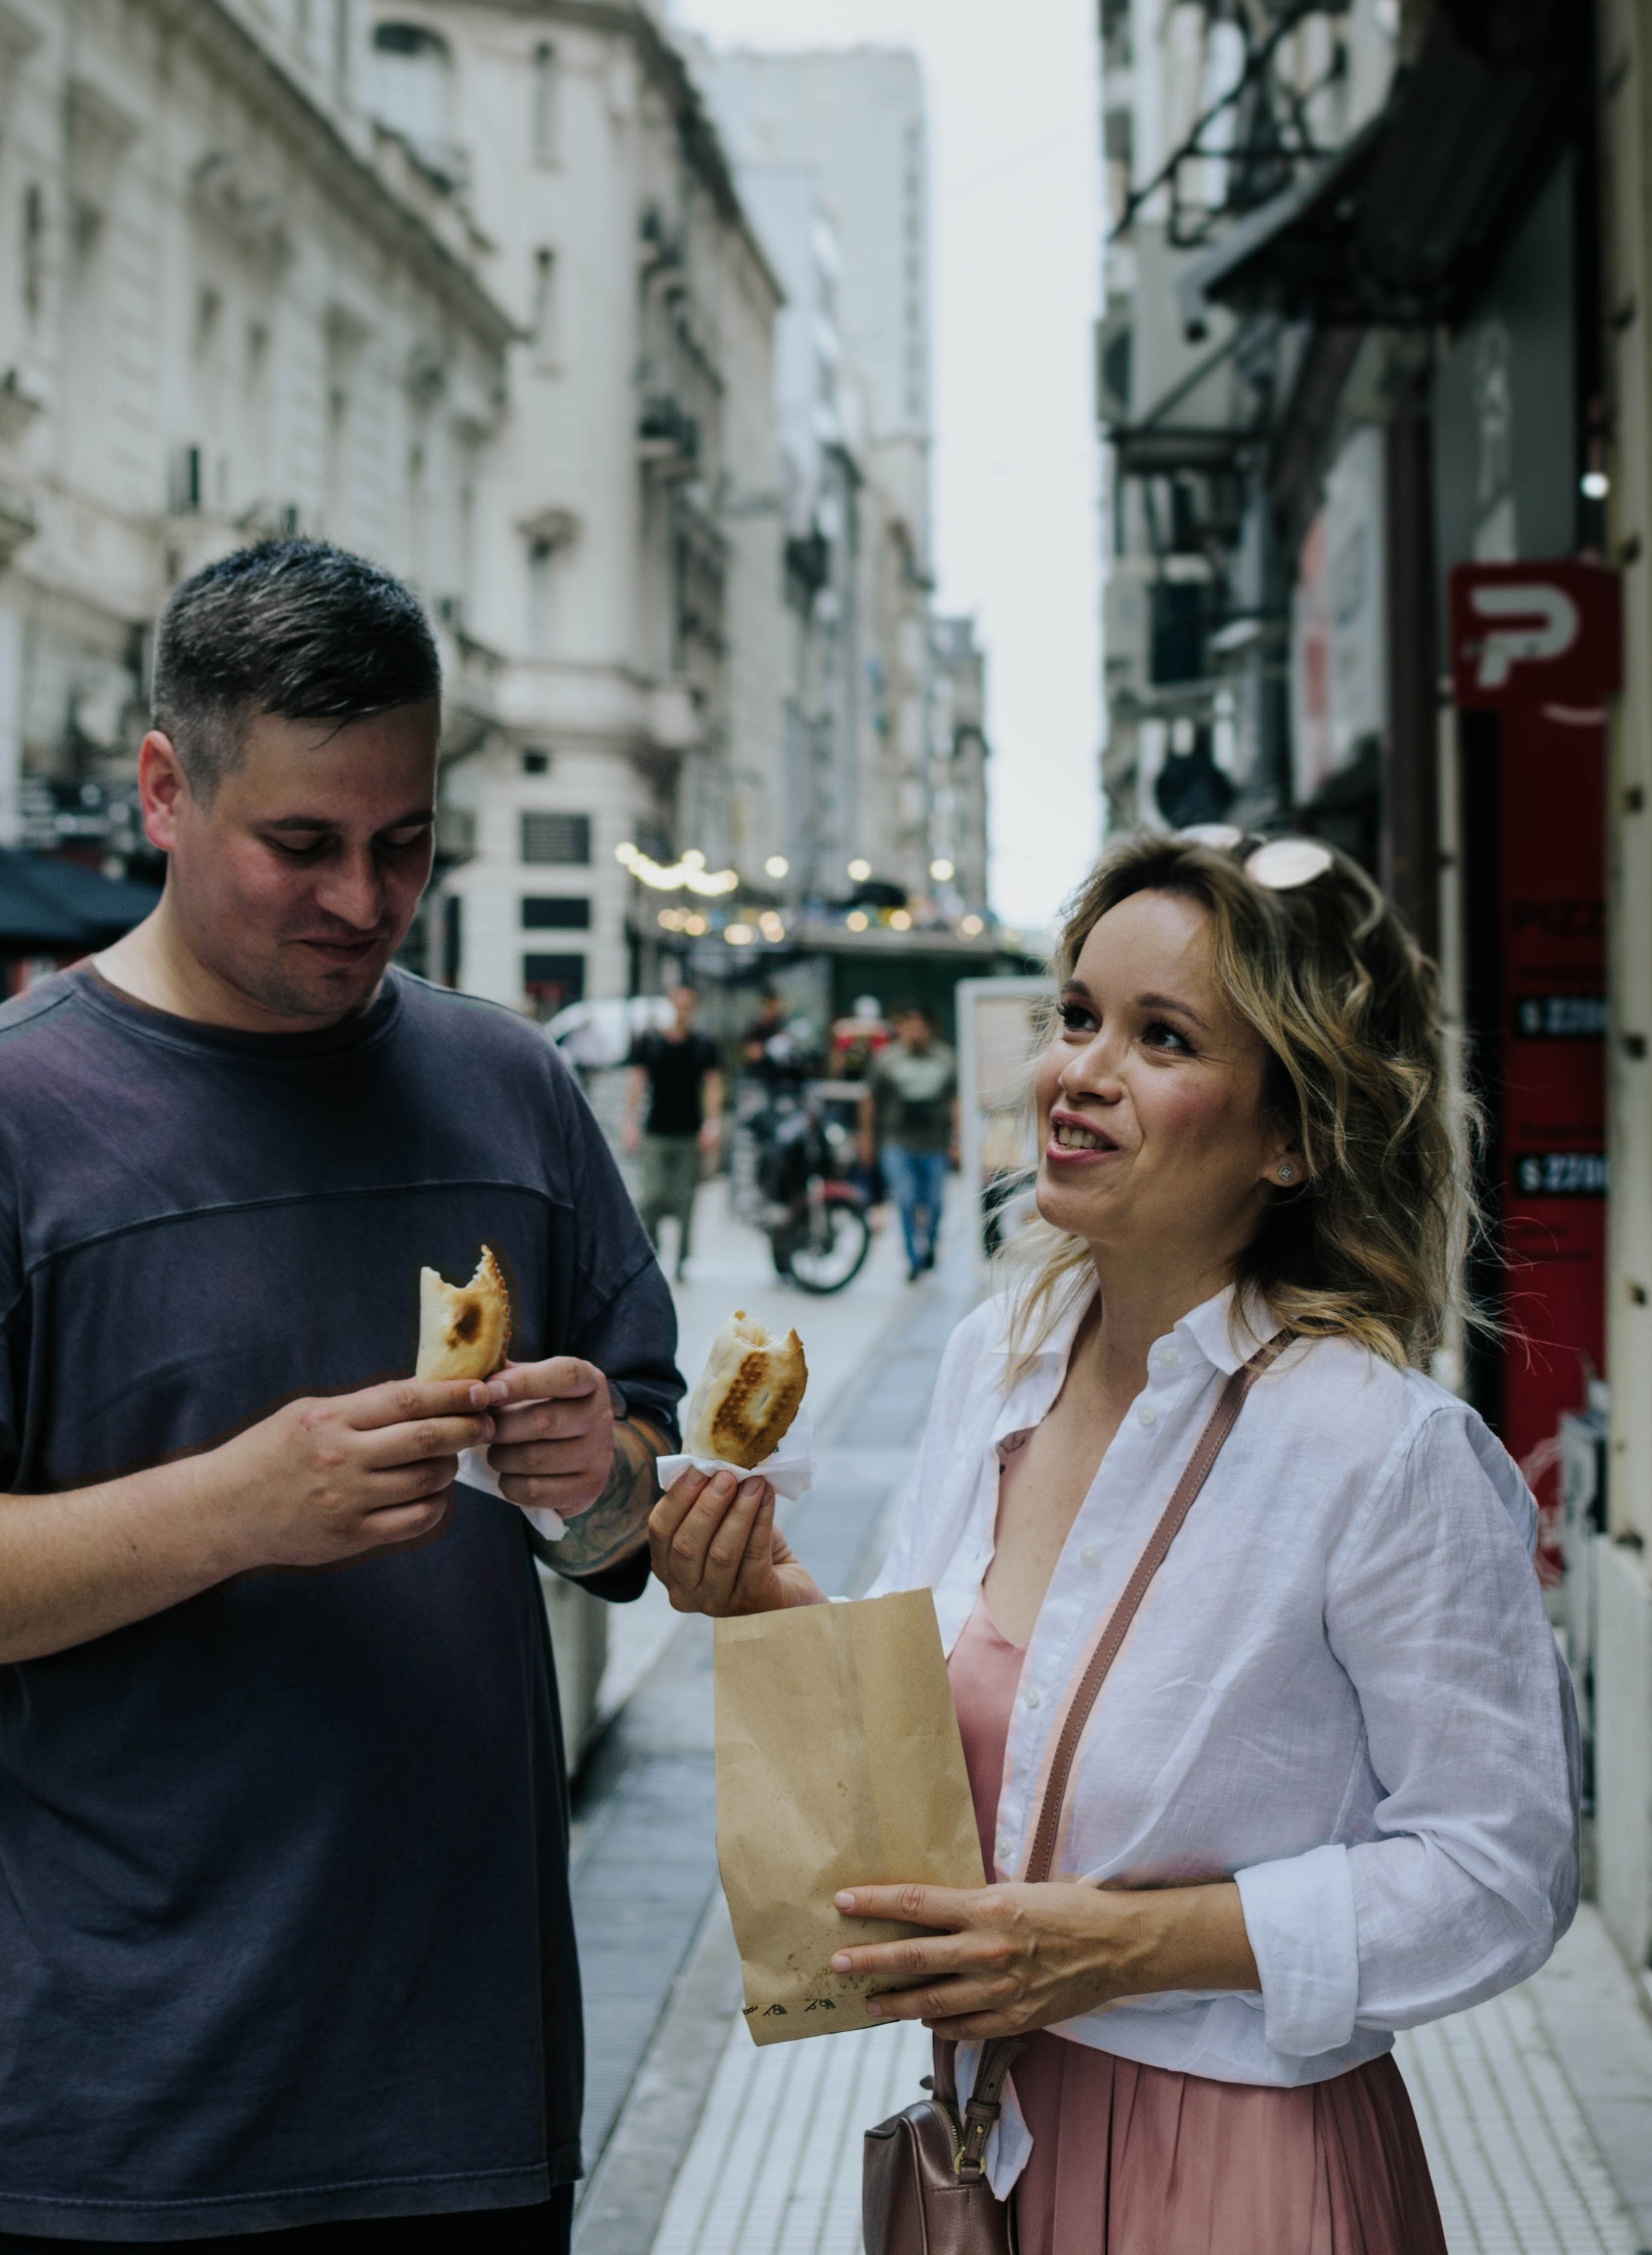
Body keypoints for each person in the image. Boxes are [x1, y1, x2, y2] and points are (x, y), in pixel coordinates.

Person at [0, 540, 681, 2255]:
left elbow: (631, 1526)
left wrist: (591, 1482)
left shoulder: (511, 1092)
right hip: (107, 2126)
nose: (363, 897)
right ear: (163, 788)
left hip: (463, 2103)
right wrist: (237, 1509)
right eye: (303, 846)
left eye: (403, 842)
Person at [650, 828, 1578, 2253]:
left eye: (1163, 1038)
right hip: (986, 2144)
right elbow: (936, 1786)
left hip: (1241, 2175)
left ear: (1294, 1134)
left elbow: (1502, 1873)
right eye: (1078, 1015)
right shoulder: (993, 1364)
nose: (1080, 1072)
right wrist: (768, 1597)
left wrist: (1127, 1948)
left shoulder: (1380, 1450)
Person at [620, 982, 724, 1285]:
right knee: (651, 1196)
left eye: (688, 1003)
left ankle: (682, 1260)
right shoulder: (651, 1042)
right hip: (656, 1130)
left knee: (686, 1200)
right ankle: (652, 1250)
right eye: (678, 1002)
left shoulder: (703, 1044)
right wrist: (631, 1122)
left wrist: (711, 1124)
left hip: (689, 1132)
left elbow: (713, 1086)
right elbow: (637, 1082)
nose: (683, 1008)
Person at [859, 1002, 958, 1279]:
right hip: (897, 1141)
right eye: (907, 1024)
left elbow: (955, 1100)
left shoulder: (945, 1058)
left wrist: (957, 1140)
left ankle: (930, 1244)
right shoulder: (886, 1059)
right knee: (906, 1200)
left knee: (935, 1203)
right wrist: (866, 1137)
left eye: (919, 1024)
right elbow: (870, 1100)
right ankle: (913, 1260)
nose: (914, 1031)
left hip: (934, 1143)